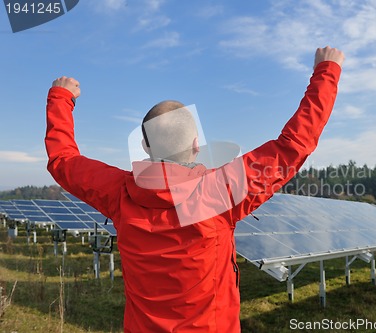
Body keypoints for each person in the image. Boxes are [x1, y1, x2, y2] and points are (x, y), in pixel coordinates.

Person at [45, 46, 344, 333]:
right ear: (196, 146)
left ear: (145, 145)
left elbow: (63, 161)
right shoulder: (220, 192)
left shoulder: (117, 193)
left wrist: (61, 97)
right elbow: (293, 146)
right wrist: (326, 72)